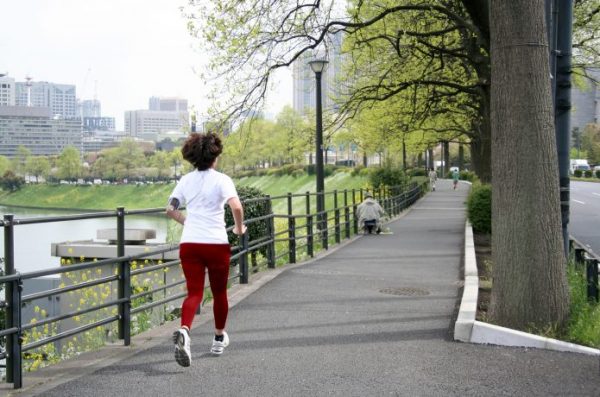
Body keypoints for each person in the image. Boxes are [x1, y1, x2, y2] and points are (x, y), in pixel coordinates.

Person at [166, 132, 246, 367]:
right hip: (216, 243)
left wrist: (188, 222)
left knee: (194, 294)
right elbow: (237, 207)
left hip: (190, 244)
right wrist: (239, 228)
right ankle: (218, 338)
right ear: (214, 156)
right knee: (220, 293)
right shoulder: (222, 180)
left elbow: (170, 209)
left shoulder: (185, 181)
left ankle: (185, 329)